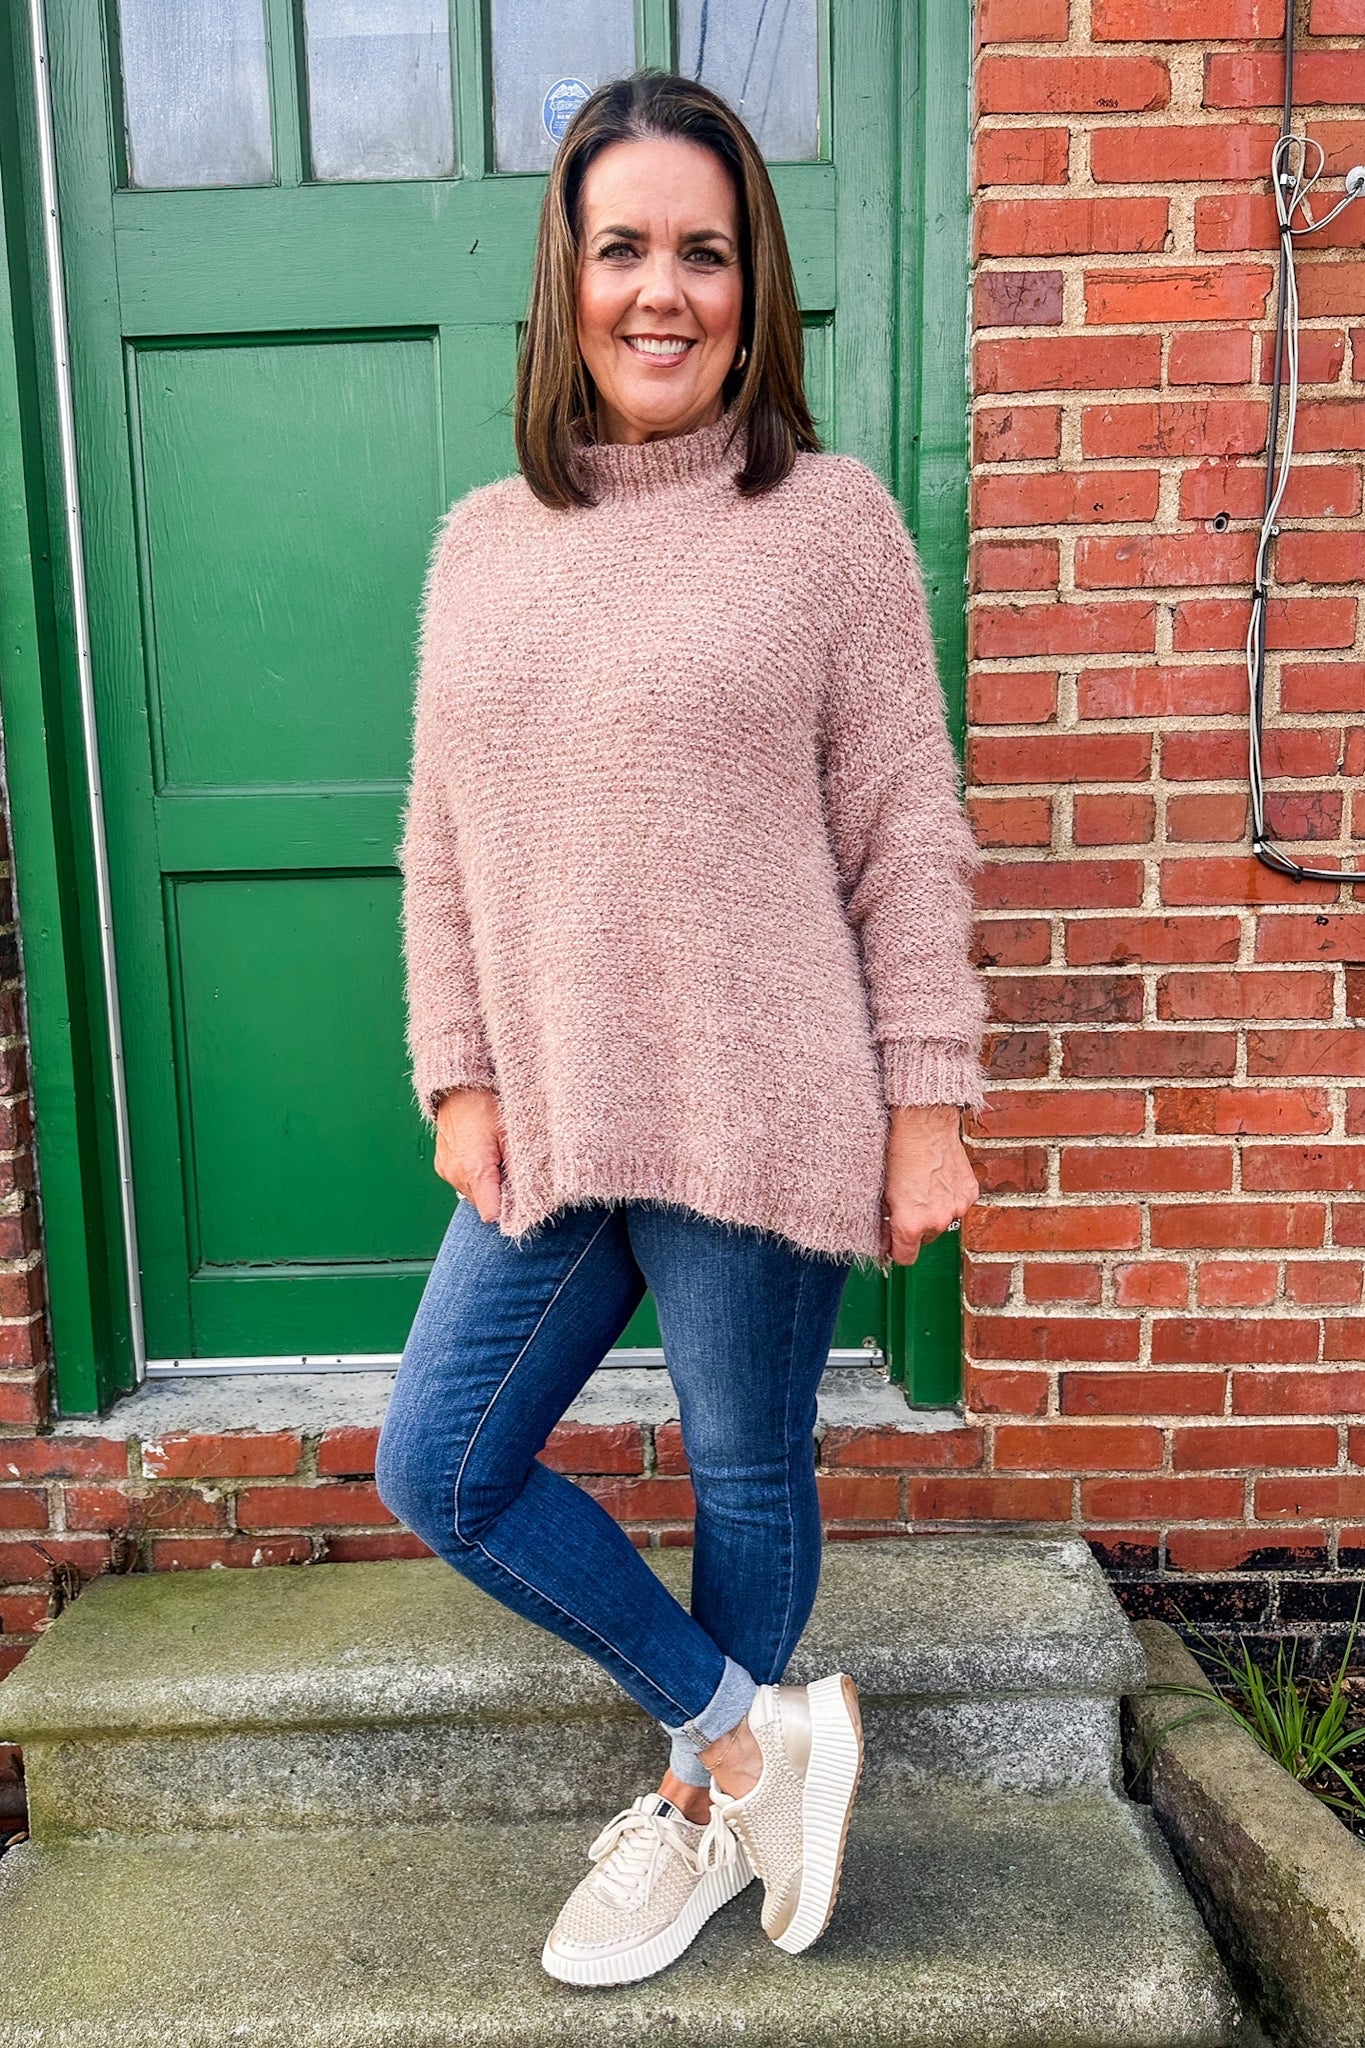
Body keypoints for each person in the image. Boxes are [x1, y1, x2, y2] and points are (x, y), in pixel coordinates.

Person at [374, 68, 986, 1989]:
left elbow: (904, 831)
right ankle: (746, 1742)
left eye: (703, 253)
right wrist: (458, 1069)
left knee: (744, 1473)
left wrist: (925, 1103)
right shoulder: (482, 542)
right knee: (439, 1464)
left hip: (761, 1092)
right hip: (557, 1109)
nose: (663, 290)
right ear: (565, 278)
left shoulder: (826, 525)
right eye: (622, 246)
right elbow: (439, 840)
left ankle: (703, 1822)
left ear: (751, 285)